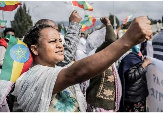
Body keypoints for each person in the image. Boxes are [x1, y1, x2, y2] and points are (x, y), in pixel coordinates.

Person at [11, 16, 152, 112]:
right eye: (53, 42)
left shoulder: (60, 68)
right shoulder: (30, 78)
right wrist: (127, 40)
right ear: (35, 49)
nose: (60, 45)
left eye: (60, 40)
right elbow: (75, 73)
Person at [86, 17, 121, 112]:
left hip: (105, 105)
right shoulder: (97, 54)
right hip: (99, 105)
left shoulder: (105, 56)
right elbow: (111, 41)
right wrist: (108, 23)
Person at [118, 46, 151, 112]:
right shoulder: (130, 59)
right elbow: (131, 77)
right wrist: (144, 65)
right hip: (134, 99)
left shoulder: (133, 58)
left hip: (135, 96)